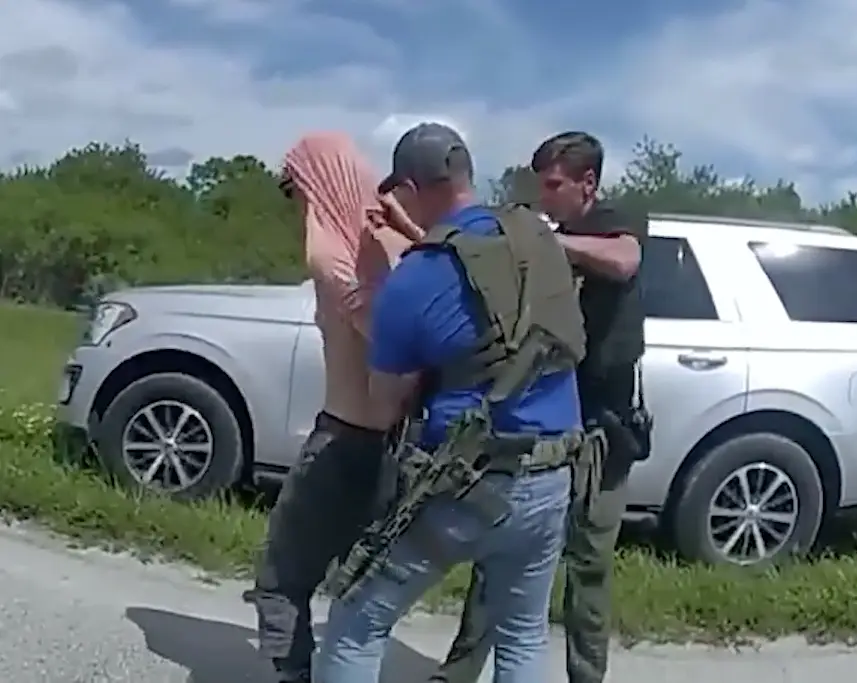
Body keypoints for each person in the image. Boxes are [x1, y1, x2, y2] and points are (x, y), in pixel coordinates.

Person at [313, 122, 589, 683]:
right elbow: (480, 272)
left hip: (466, 485)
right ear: (465, 172)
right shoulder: (536, 240)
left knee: (356, 622)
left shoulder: (413, 281)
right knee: (522, 634)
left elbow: (387, 406)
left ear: (411, 187)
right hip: (554, 474)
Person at [434, 131, 647, 683]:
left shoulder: (615, 220)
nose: (544, 195)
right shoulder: (538, 234)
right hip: (541, 421)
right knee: (499, 555)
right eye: (539, 185)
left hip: (601, 428)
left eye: (554, 185)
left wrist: (550, 243)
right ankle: (458, 672)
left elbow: (624, 261)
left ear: (588, 184)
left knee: (589, 566)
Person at [242, 132, 421, 683]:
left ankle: (295, 673)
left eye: (293, 187)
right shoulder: (400, 244)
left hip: (344, 438)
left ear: (316, 181)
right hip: (398, 442)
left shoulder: (332, 254)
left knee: (281, 576)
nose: (295, 201)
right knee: (362, 577)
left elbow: (380, 337)